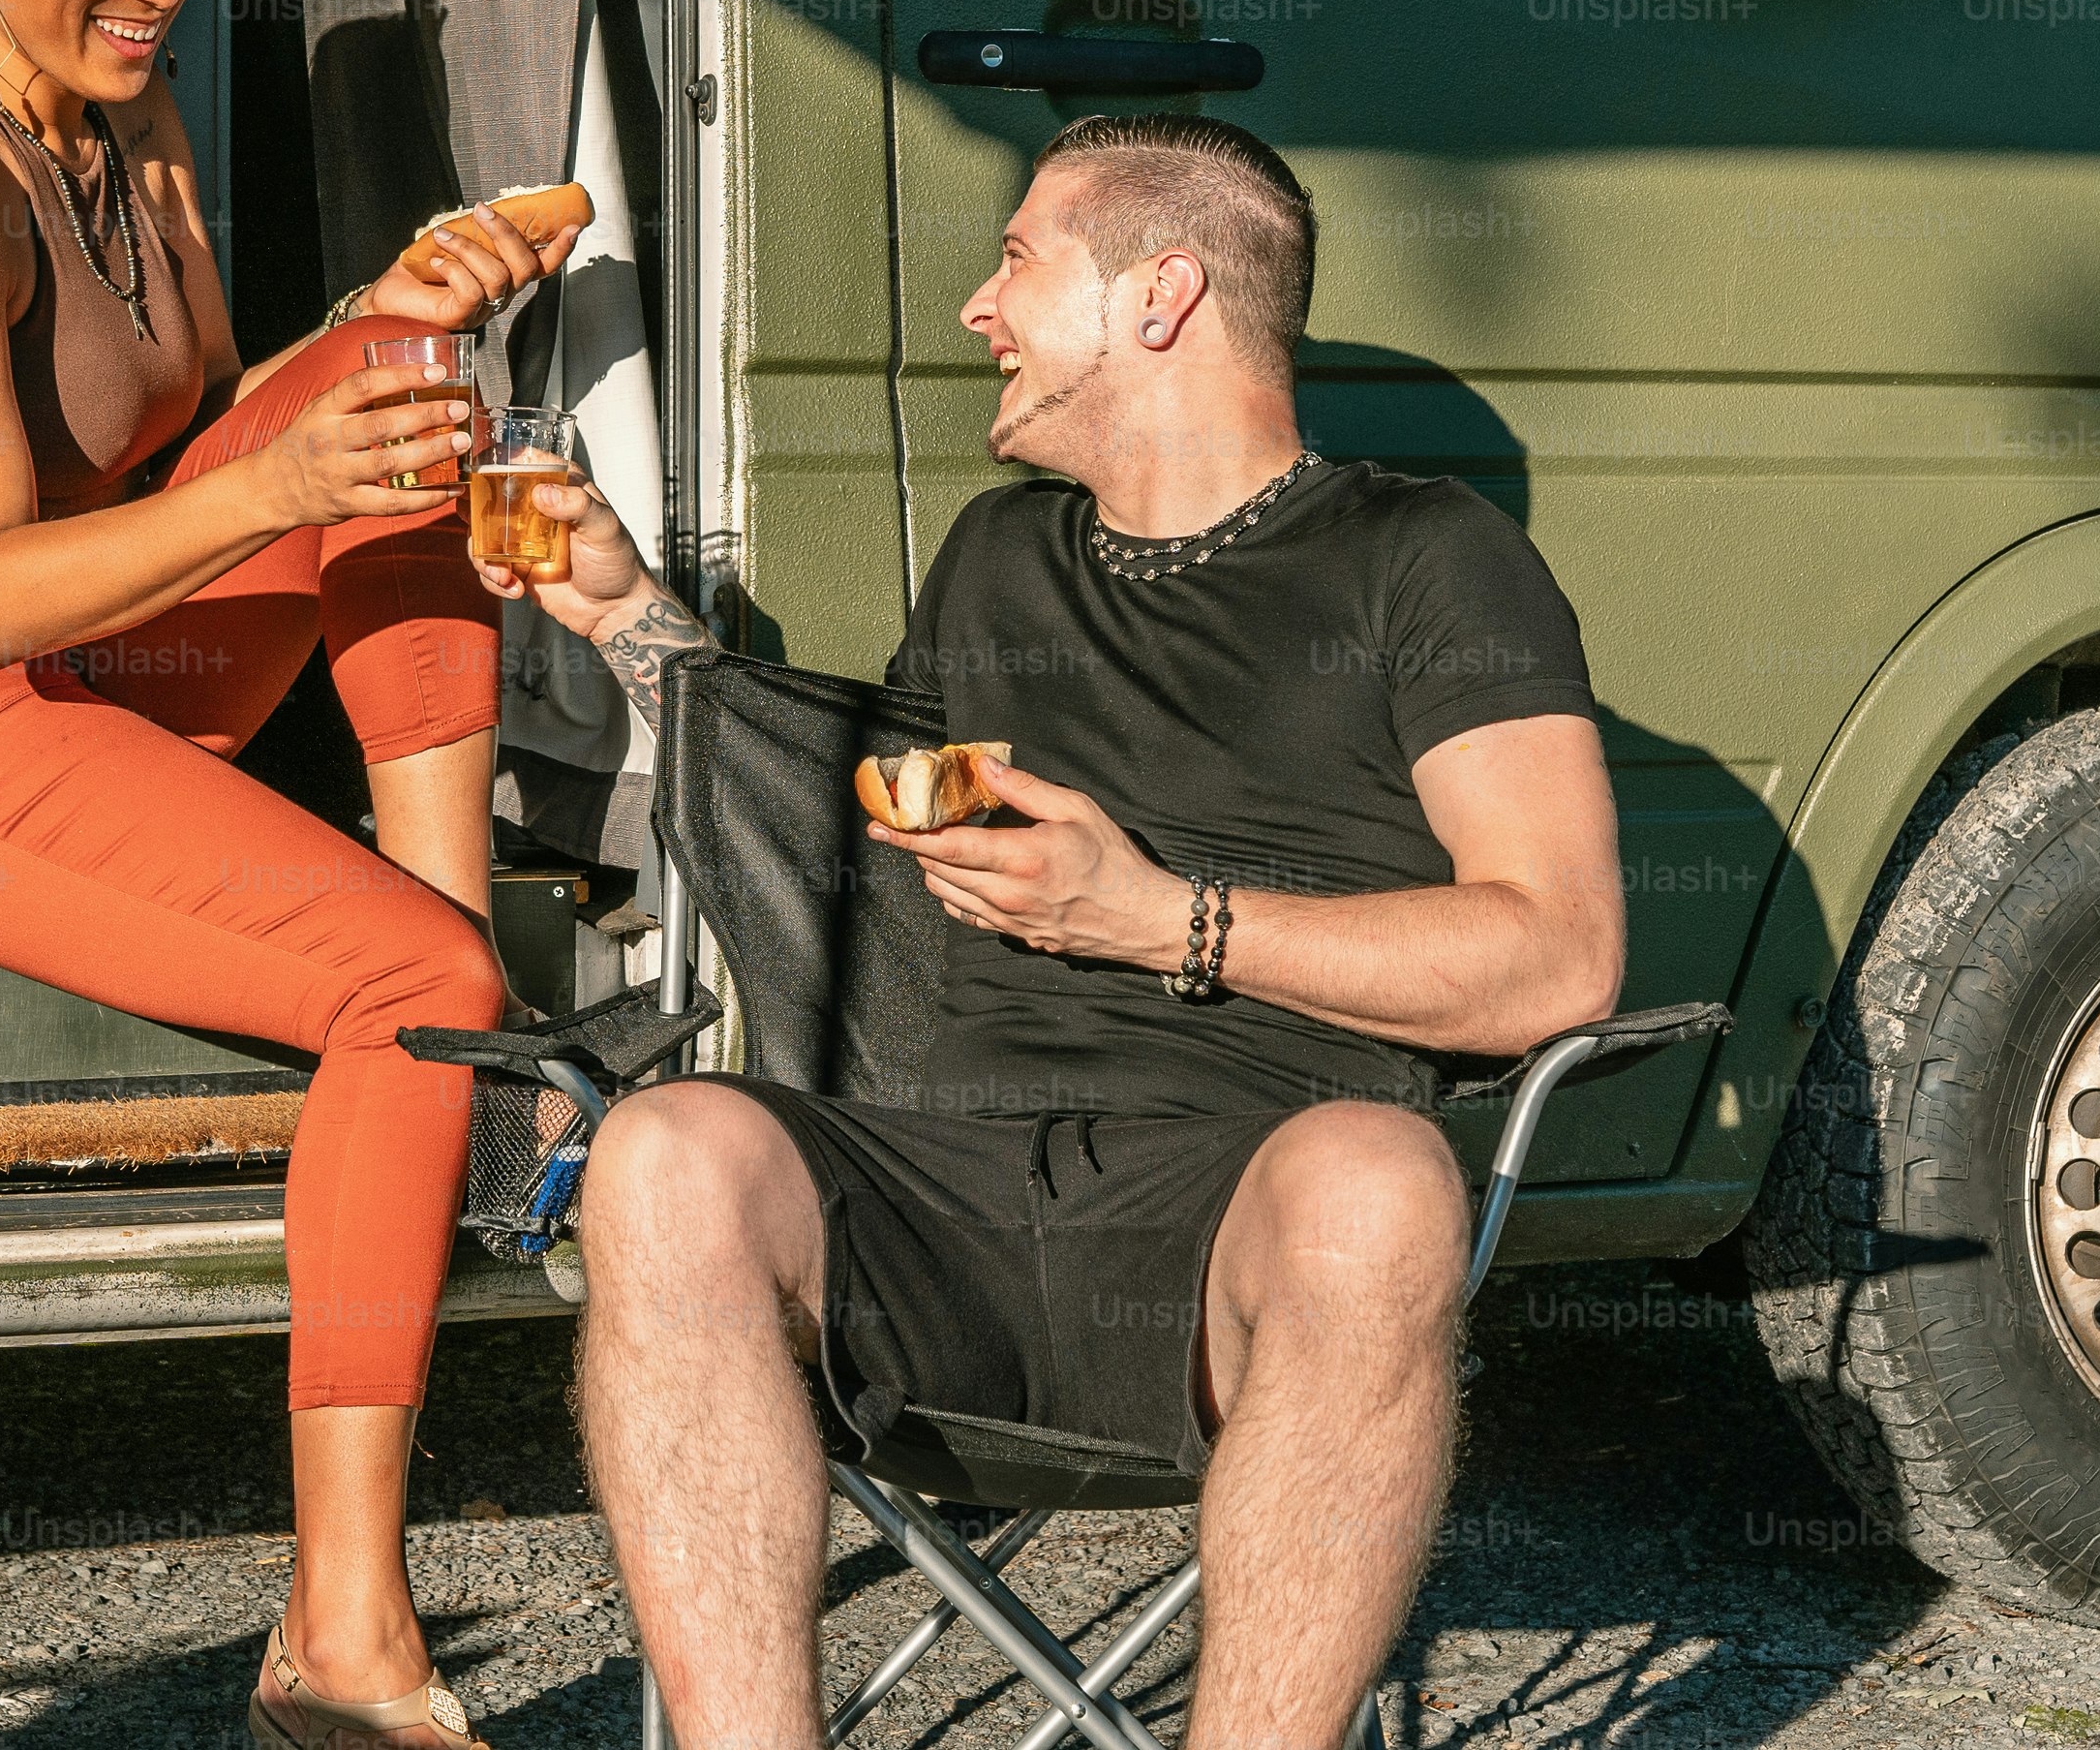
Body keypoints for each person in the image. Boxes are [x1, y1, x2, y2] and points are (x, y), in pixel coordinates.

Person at [472, 111, 1626, 1750]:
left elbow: (1557, 954)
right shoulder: (1000, 555)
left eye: (1017, 259)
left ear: (1161, 295)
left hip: (1241, 1212)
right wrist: (617, 610)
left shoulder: (1425, 559)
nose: (976, 307)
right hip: (940, 1201)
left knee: (1379, 1183)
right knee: (663, 1155)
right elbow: (854, 807)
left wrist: (1165, 921)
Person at [0, 0, 580, 1750]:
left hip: (89, 651)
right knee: (403, 983)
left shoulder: (123, 124)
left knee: (408, 393)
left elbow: (223, 439)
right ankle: (345, 1626)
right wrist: (288, 475)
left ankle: (449, 1001)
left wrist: (394, 317)